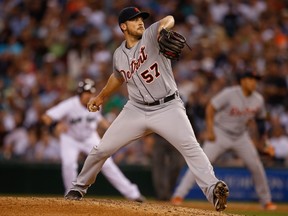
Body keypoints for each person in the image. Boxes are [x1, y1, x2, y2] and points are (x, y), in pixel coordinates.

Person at [65, 7, 229, 212]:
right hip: (135, 109)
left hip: (168, 107)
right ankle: (78, 188)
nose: (140, 22)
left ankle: (213, 188)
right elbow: (117, 77)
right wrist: (100, 97)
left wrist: (161, 29)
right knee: (102, 149)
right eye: (135, 20)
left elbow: (168, 19)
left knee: (191, 147)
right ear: (123, 26)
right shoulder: (119, 54)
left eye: (141, 19)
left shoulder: (151, 34)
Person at [170, 70, 277, 210]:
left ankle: (266, 201)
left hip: (241, 136)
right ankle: (178, 195)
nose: (254, 83)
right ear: (243, 81)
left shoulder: (258, 99)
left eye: (256, 80)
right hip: (220, 133)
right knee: (201, 162)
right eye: (251, 79)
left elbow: (261, 121)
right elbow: (211, 108)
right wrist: (210, 130)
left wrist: (265, 143)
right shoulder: (230, 93)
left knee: (256, 166)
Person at [41, 78, 144, 202]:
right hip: (70, 139)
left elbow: (99, 120)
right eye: (86, 93)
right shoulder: (69, 105)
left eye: (91, 92)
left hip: (90, 138)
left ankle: (133, 194)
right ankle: (71, 194)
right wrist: (55, 126)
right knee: (69, 164)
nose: (89, 95)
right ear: (80, 94)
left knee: (108, 164)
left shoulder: (95, 104)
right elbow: (46, 117)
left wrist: (114, 129)